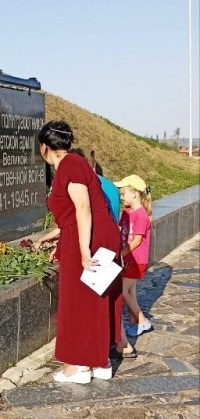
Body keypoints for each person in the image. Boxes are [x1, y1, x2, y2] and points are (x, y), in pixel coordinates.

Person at [35, 120, 122, 384]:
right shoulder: (75, 163)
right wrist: (57, 236)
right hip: (91, 233)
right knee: (96, 299)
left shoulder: (70, 165)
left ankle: (78, 365)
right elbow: (75, 213)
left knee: (77, 301)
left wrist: (84, 247)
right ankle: (100, 361)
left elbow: (83, 208)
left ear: (44, 147)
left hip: (89, 237)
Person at [114, 174, 153, 337]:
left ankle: (142, 320)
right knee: (130, 292)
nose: (121, 197)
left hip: (136, 260)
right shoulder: (127, 212)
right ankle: (133, 324)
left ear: (135, 193)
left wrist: (121, 253)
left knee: (122, 290)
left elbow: (136, 241)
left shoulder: (141, 215)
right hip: (128, 259)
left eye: (124, 193)